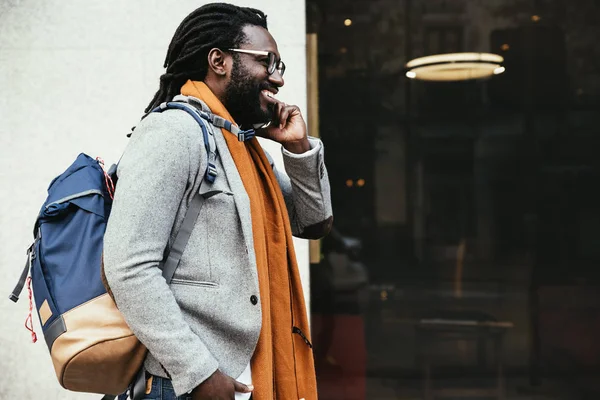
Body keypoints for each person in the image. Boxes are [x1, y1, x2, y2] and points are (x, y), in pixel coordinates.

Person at [103, 3, 332, 400]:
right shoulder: (174, 132)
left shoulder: (239, 147)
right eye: (268, 62)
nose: (277, 79)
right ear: (219, 61)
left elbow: (313, 223)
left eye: (280, 66)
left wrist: (297, 148)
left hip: (235, 378)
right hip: (182, 384)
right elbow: (128, 266)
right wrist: (199, 372)